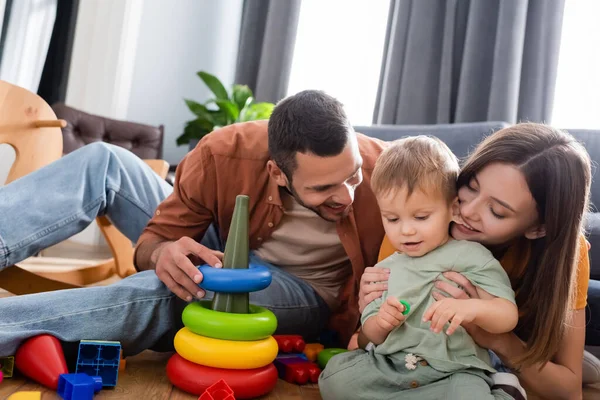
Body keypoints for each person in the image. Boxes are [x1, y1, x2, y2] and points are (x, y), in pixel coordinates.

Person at [0, 90, 387, 355]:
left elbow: (448, 190)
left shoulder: (391, 169)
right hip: (224, 246)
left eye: (352, 176)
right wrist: (165, 253)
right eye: (323, 187)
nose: (347, 196)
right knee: (103, 162)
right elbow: (155, 240)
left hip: (306, 292)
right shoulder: (224, 153)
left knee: (177, 289)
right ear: (278, 172)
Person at [358, 123, 592, 399]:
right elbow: (363, 340)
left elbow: (569, 391)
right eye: (470, 186)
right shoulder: (415, 225)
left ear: (538, 228)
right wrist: (372, 316)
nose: (466, 210)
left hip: (513, 340)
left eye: (496, 211)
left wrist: (496, 339)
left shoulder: (566, 256)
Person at [319, 136, 518, 399]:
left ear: (453, 209)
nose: (406, 230)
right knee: (335, 380)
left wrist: (471, 308)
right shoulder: (386, 267)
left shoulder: (472, 255)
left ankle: (505, 391)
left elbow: (507, 315)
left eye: (421, 217)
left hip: (454, 371)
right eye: (392, 218)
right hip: (393, 366)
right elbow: (371, 335)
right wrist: (381, 322)